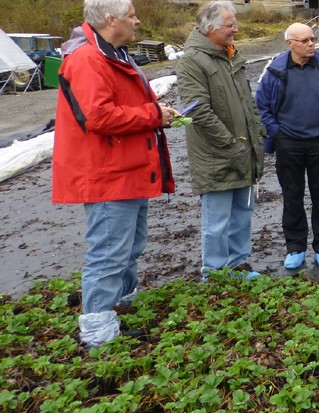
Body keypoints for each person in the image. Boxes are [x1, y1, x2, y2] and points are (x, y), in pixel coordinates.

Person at [53, 0, 177, 347]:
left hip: (126, 170)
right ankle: (98, 333)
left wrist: (155, 111)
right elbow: (99, 118)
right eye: (131, 16)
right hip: (109, 176)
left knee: (129, 246)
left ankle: (120, 309)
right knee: (108, 253)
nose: (137, 22)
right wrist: (153, 114)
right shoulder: (88, 59)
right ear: (111, 20)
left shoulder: (113, 54)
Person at [176, 1, 265, 279]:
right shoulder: (192, 60)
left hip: (243, 149)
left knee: (242, 213)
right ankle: (214, 273)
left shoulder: (230, 55)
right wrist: (228, 142)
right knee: (216, 221)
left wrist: (257, 131)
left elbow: (246, 100)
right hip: (217, 154)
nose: (236, 30)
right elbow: (197, 110)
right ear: (210, 27)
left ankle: (238, 264)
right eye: (230, 25)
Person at [256, 23, 319, 271]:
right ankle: (295, 247)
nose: (311, 44)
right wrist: (275, 131)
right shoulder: (275, 72)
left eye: (313, 39)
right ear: (289, 44)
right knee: (292, 197)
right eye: (305, 40)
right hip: (289, 144)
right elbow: (262, 106)